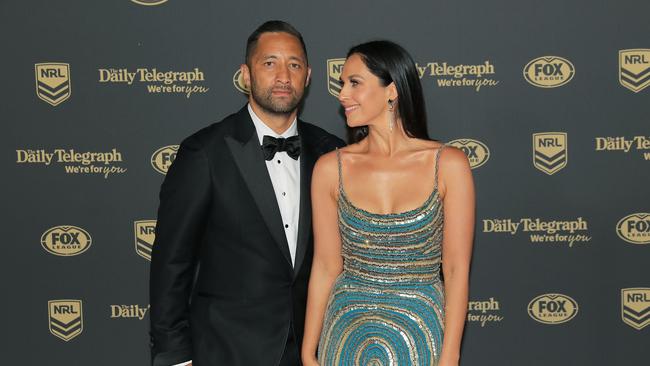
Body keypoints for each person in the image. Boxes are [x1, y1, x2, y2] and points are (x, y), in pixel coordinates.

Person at [149, 20, 344, 366]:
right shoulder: (205, 152)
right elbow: (171, 263)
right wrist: (174, 356)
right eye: (270, 63)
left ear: (309, 76)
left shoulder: (332, 154)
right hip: (228, 351)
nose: (283, 76)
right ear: (246, 75)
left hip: (314, 351)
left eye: (294, 65)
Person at [301, 40, 475, 366]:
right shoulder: (329, 168)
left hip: (422, 334)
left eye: (354, 83)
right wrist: (309, 352)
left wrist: (450, 354)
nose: (342, 95)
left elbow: (455, 269)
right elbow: (325, 266)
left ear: (391, 90)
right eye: (342, 84)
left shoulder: (449, 165)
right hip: (345, 334)